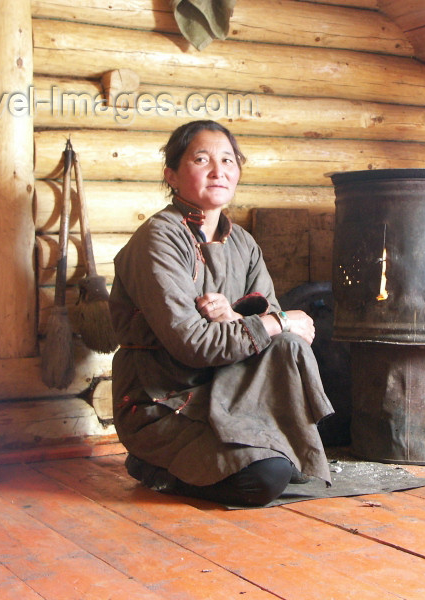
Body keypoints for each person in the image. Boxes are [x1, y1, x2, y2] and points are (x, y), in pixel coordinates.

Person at [109, 120, 334, 506]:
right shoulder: (158, 239)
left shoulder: (243, 243)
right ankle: (153, 467)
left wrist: (235, 315)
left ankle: (260, 446)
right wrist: (274, 322)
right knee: (265, 478)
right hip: (167, 401)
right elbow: (193, 344)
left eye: (228, 160)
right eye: (202, 159)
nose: (219, 171)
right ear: (172, 175)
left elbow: (288, 335)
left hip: (232, 393)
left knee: (288, 351)